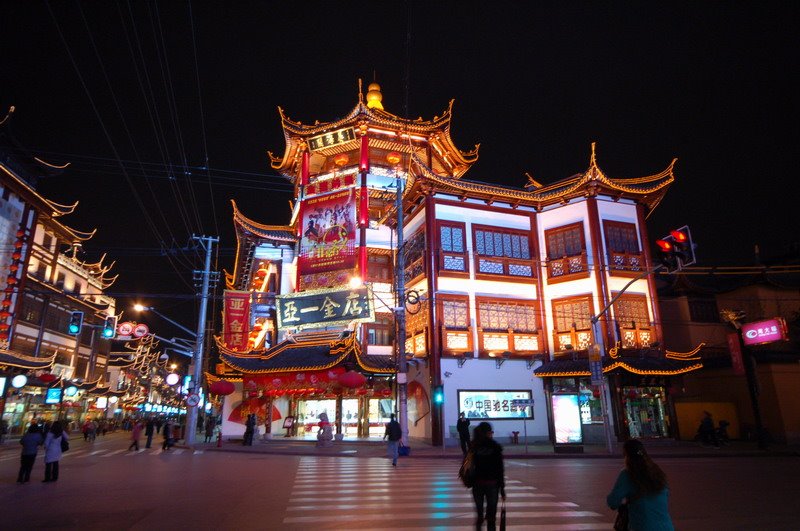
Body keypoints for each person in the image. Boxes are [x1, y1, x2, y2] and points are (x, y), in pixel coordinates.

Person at [607, 439, 674, 531]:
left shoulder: (628, 474)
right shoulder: (656, 471)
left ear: (626, 456)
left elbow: (613, 501)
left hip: (643, 526)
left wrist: (624, 501)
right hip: (666, 526)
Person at [470, 422, 505, 531]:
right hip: (492, 484)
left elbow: (468, 466)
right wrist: (502, 489)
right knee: (491, 517)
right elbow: (500, 469)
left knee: (479, 515)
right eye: (491, 432)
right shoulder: (495, 447)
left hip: (477, 484)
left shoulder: (474, 447)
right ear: (488, 433)